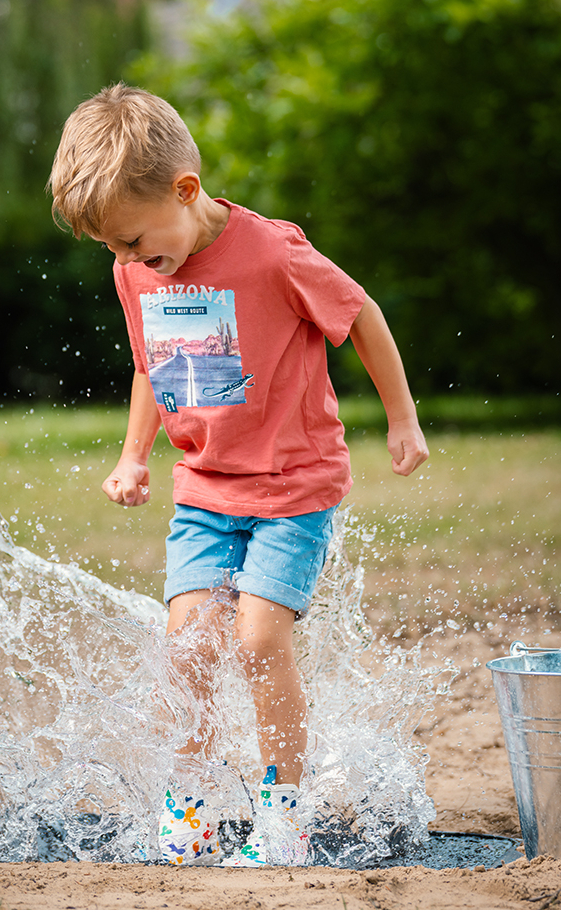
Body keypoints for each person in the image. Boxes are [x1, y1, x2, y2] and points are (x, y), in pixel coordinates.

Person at [48, 83, 429, 867]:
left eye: (133, 242)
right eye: (112, 250)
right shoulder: (137, 271)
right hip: (205, 488)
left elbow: (360, 315)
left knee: (258, 641)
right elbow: (151, 364)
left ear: (185, 191)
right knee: (186, 647)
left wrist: (401, 418)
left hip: (293, 487)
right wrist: (131, 454)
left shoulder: (272, 252)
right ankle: (186, 801)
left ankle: (280, 816)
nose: (126, 262)